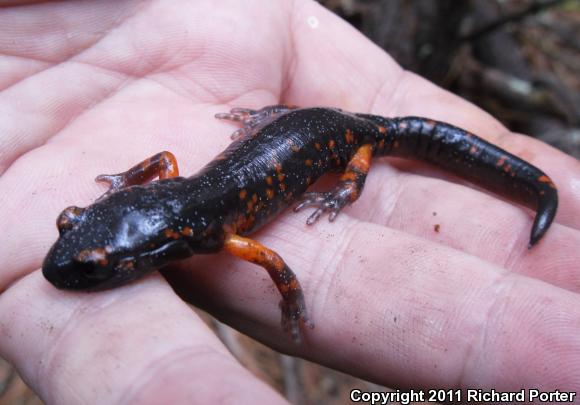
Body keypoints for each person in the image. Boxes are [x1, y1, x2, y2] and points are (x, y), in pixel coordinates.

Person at [0, 1, 578, 403]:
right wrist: (127, 181)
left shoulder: (219, 232)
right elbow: (171, 171)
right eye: (74, 227)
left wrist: (345, 194)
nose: (73, 247)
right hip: (303, 126)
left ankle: (537, 189)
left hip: (349, 138)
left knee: (377, 148)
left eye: (97, 261)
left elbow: (277, 263)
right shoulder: (203, 219)